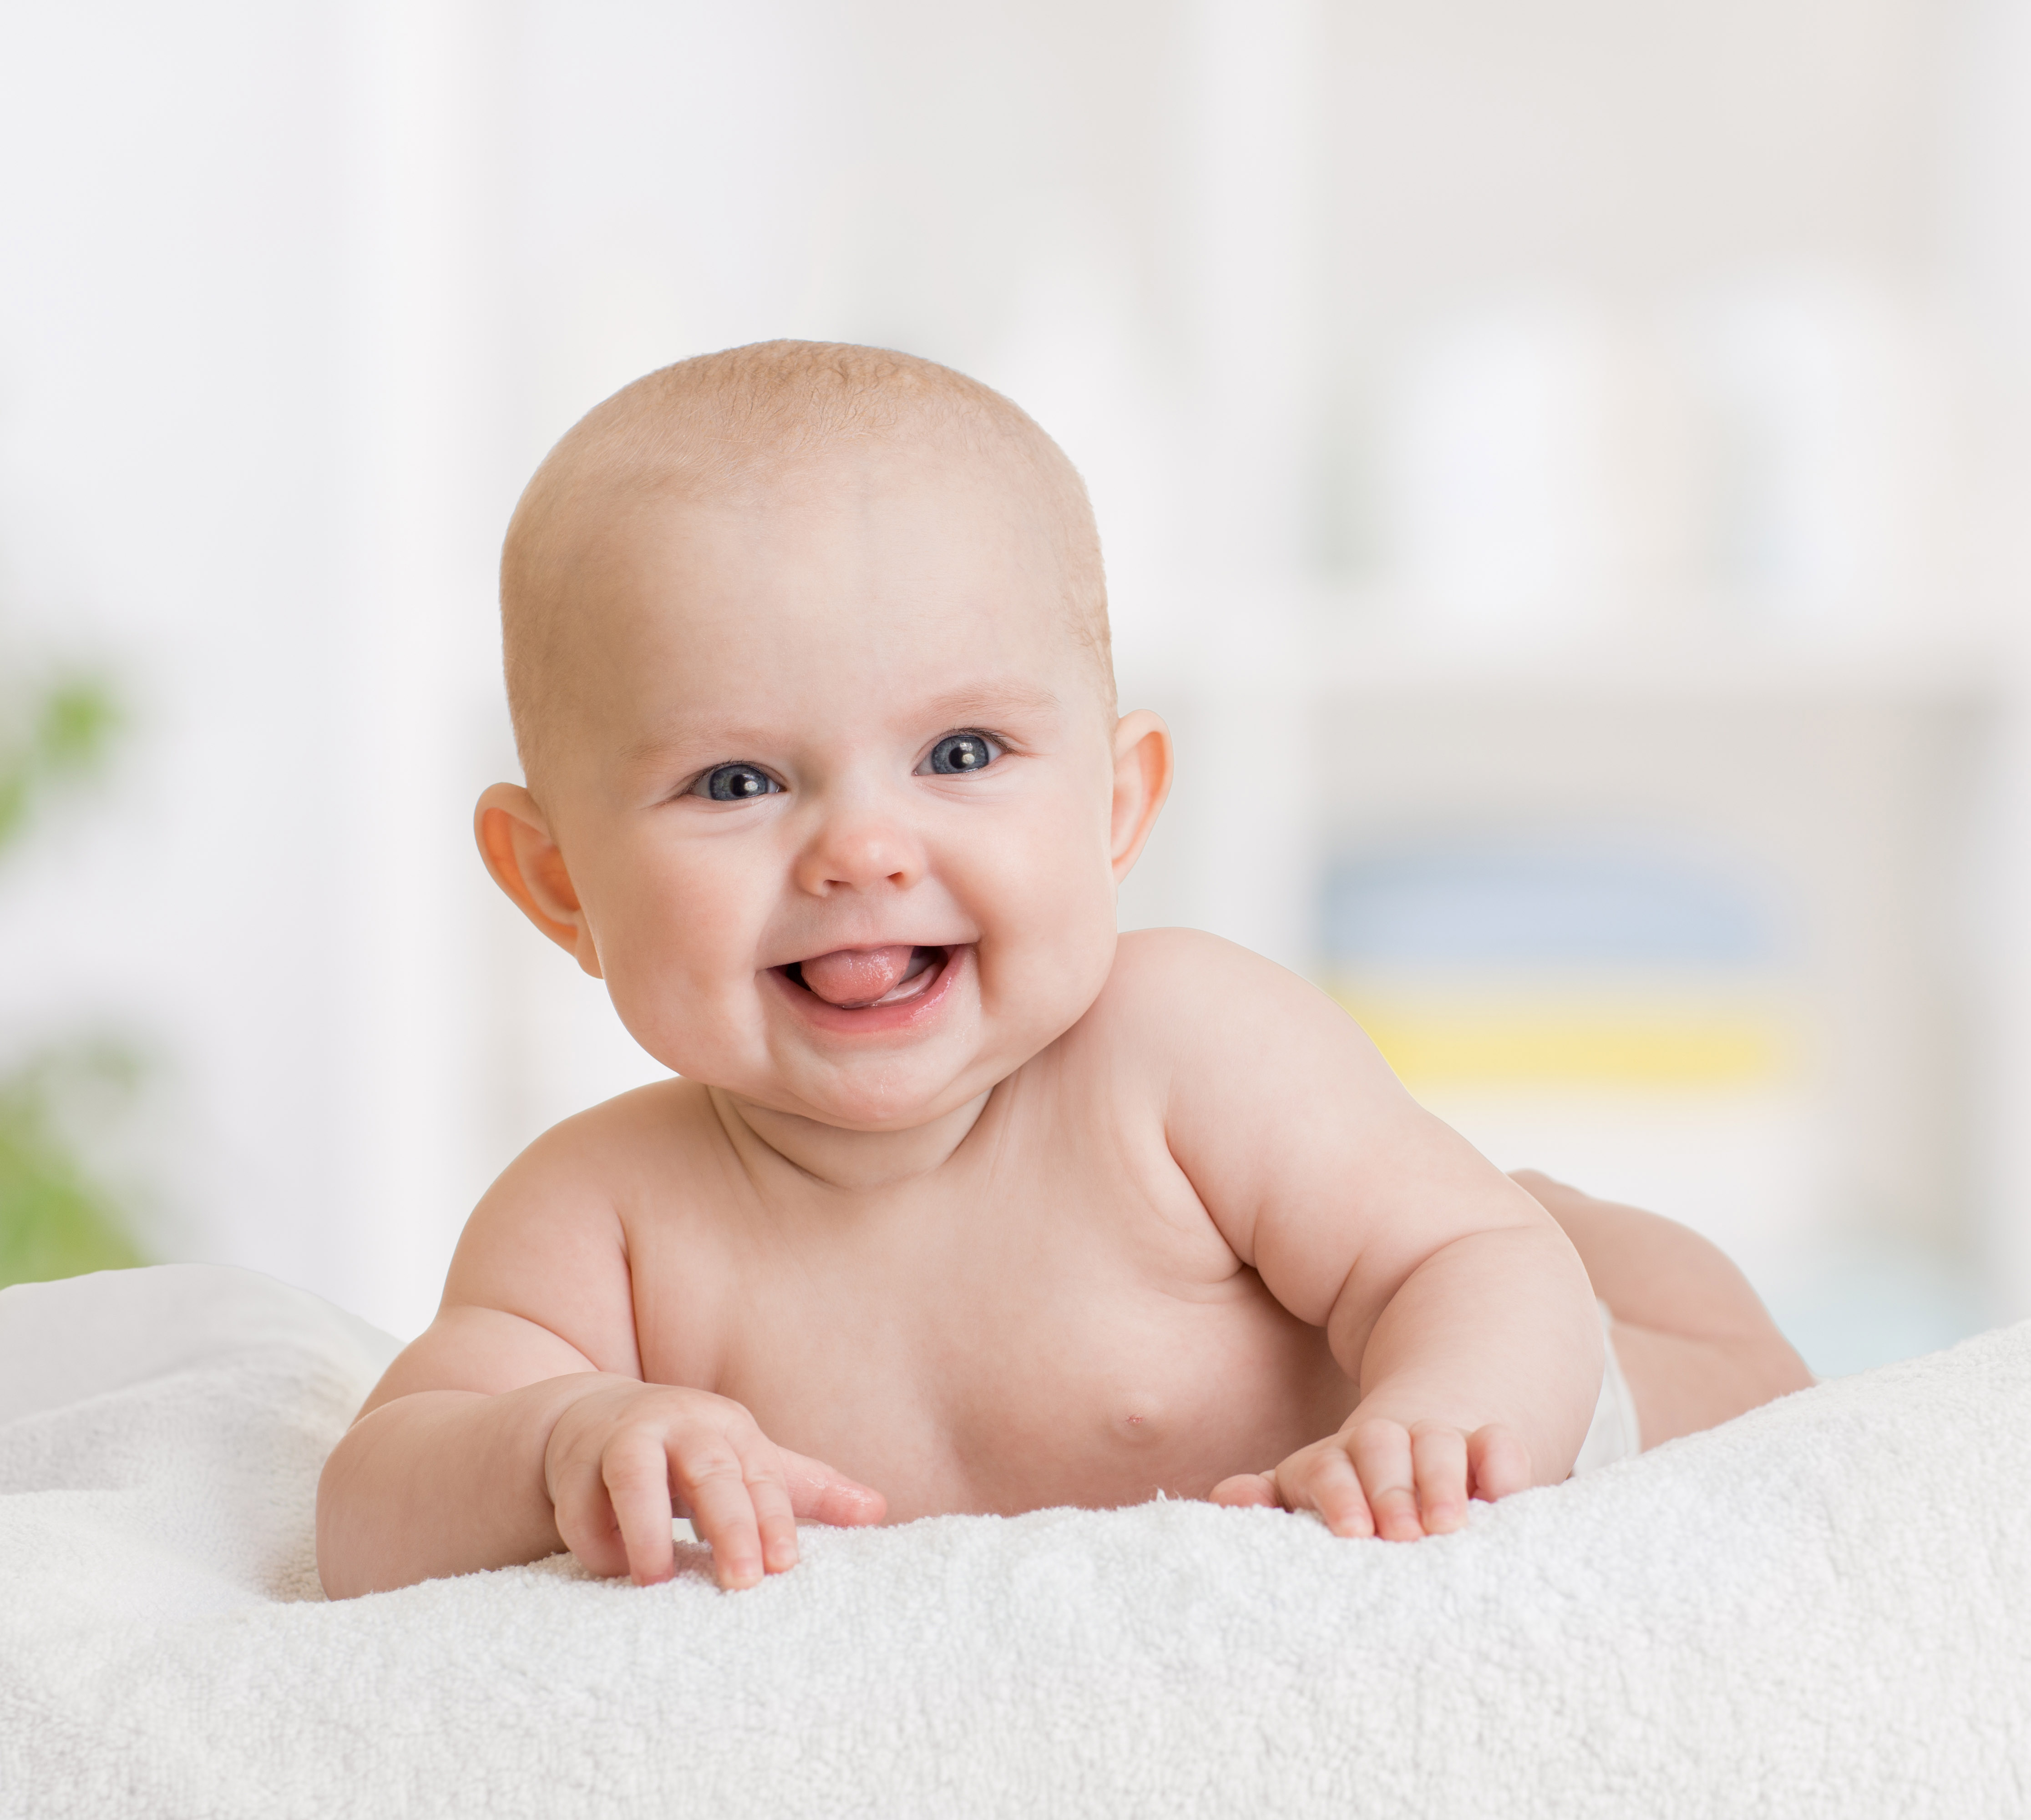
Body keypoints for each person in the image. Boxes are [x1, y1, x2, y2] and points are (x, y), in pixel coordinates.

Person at [315, 341, 1811, 1598]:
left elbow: (1464, 1271)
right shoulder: (601, 1219)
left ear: (1113, 808)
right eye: (733, 783)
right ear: (559, 880)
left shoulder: (1182, 1051)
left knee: (1633, 1319)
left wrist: (1435, 1420)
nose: (862, 851)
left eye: (961, 754)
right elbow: (371, 1512)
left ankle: (1666, 1290)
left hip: (1537, 1400)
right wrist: (562, 1439)